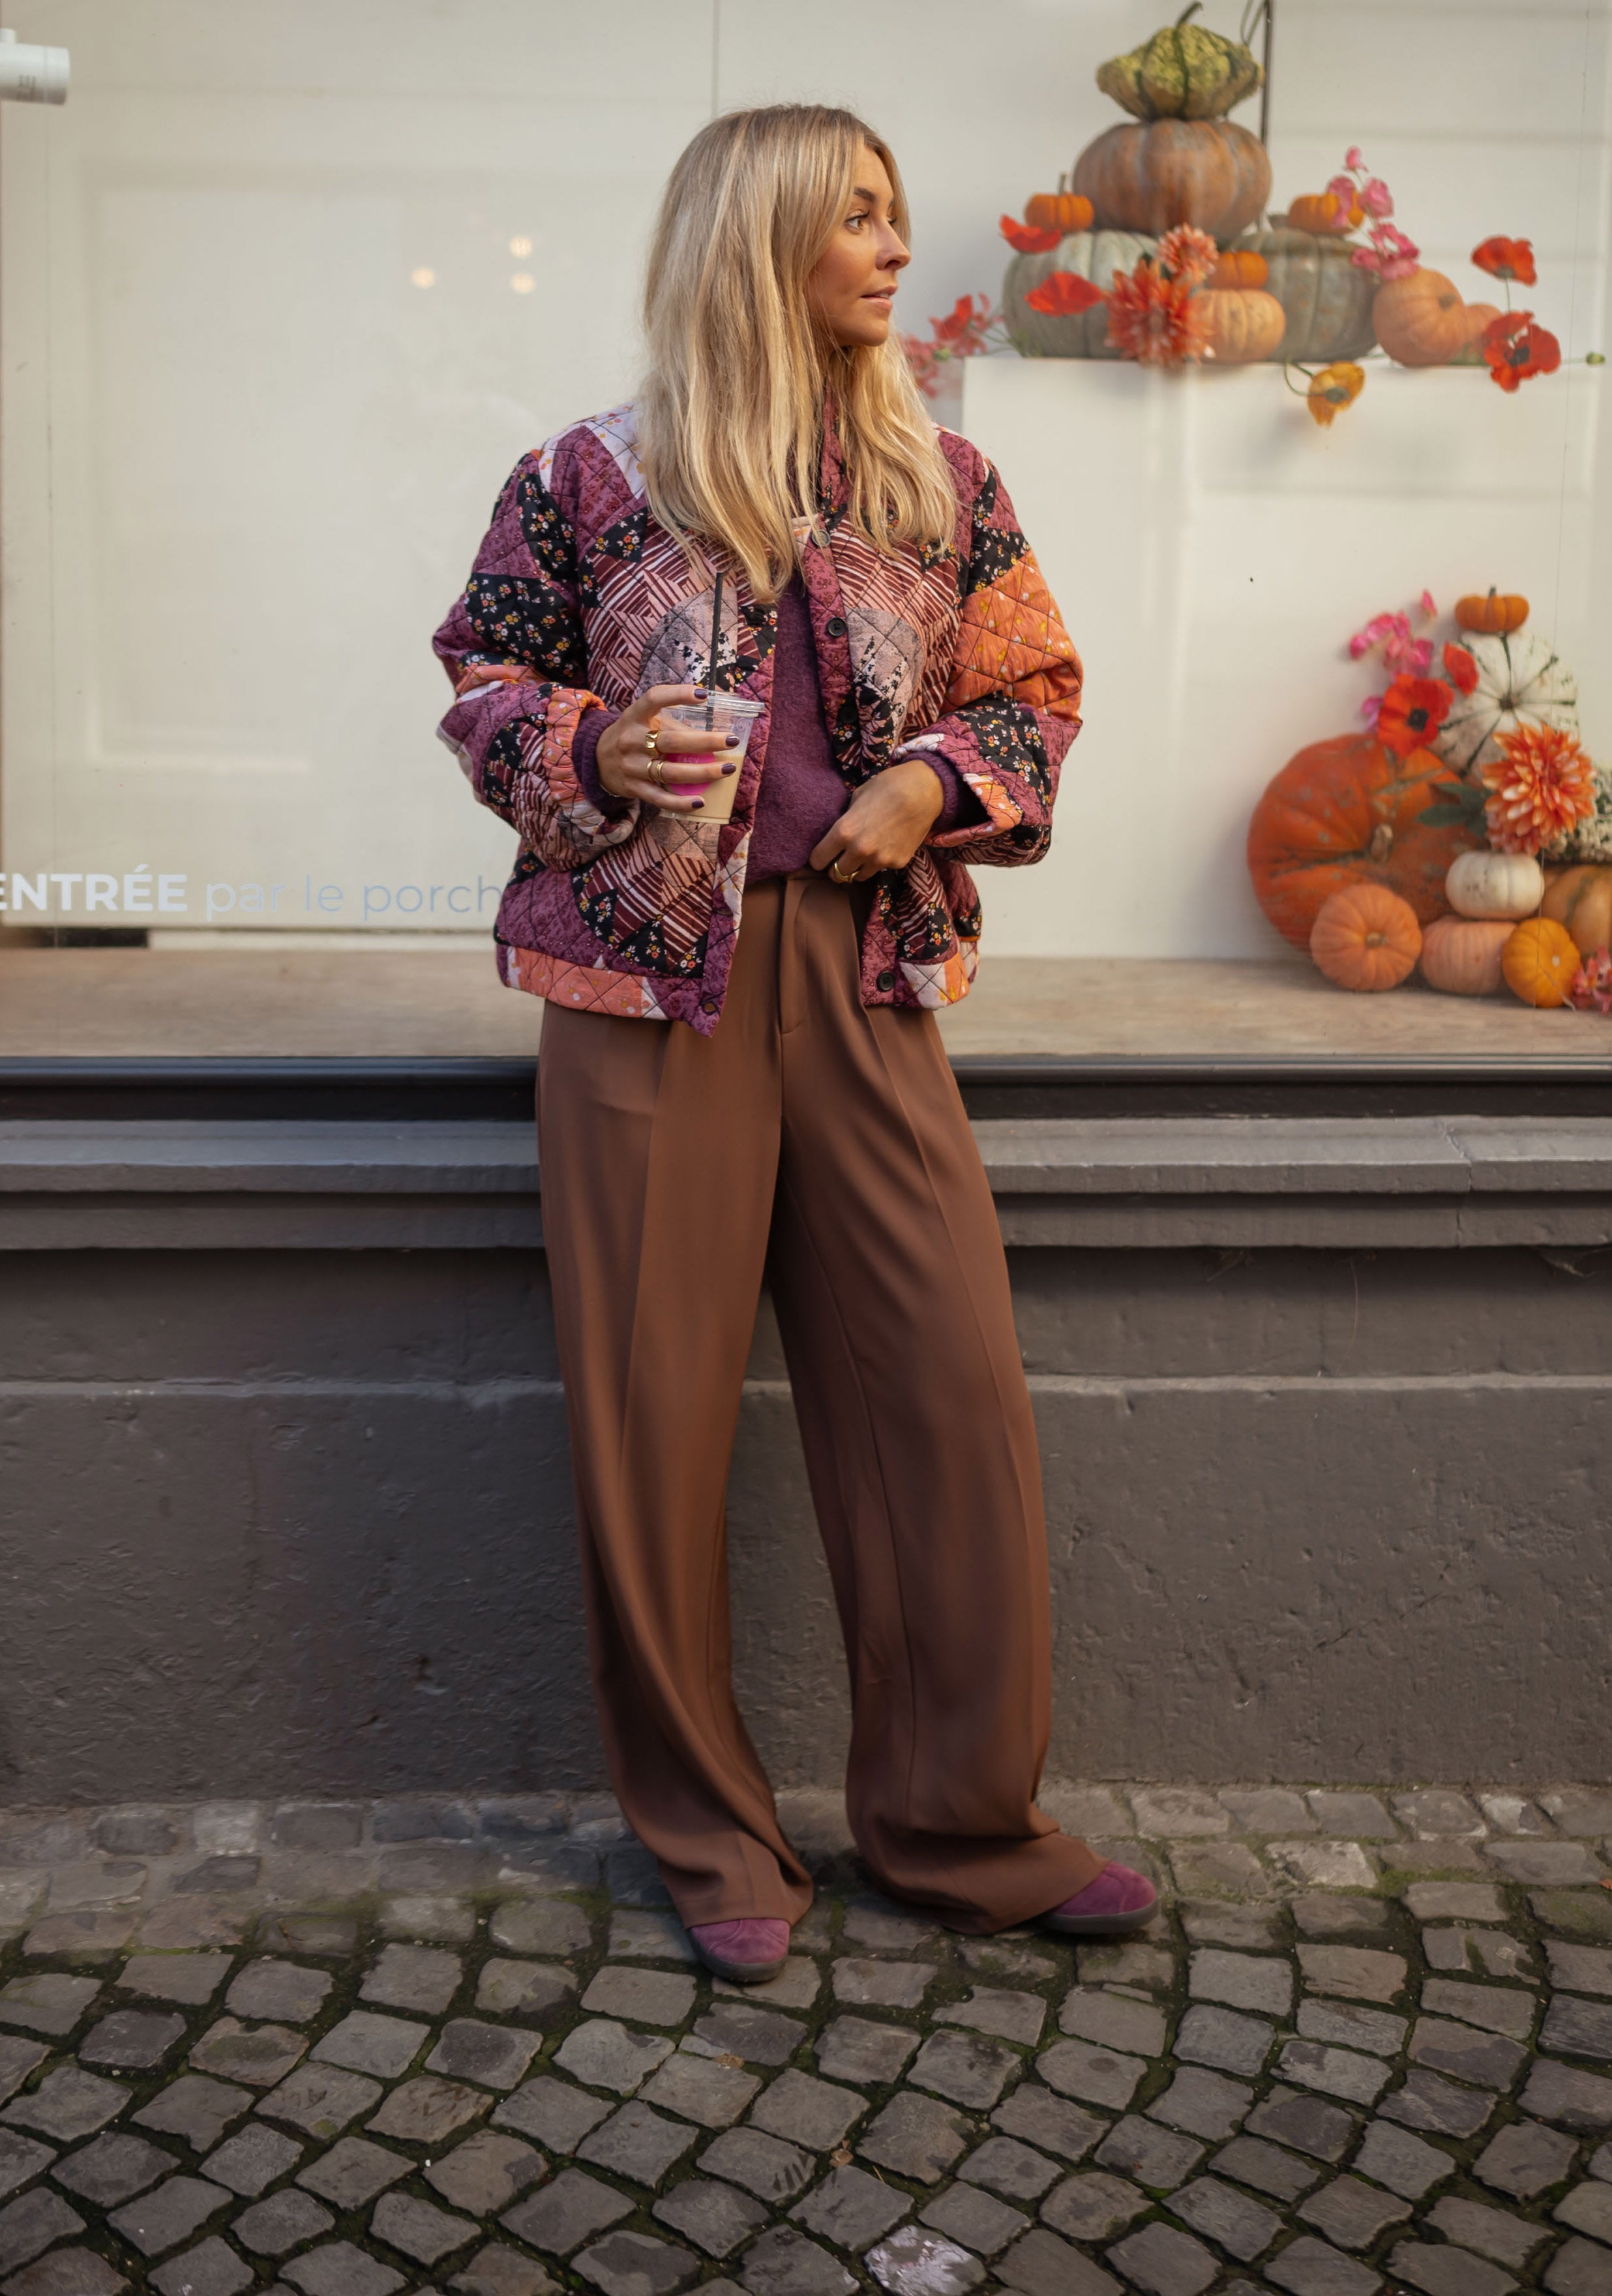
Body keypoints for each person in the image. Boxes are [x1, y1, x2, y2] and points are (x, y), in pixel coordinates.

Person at [434, 103, 1155, 1980]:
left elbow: (1033, 691)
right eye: (855, 218)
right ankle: (709, 1840)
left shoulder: (944, 485)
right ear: (759, 243)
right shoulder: (584, 480)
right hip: (640, 999)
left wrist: (931, 788)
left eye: (890, 217)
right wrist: (588, 748)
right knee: (652, 1427)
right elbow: (484, 677)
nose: (892, 249)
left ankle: (957, 1827)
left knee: (944, 1401)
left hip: (863, 975)